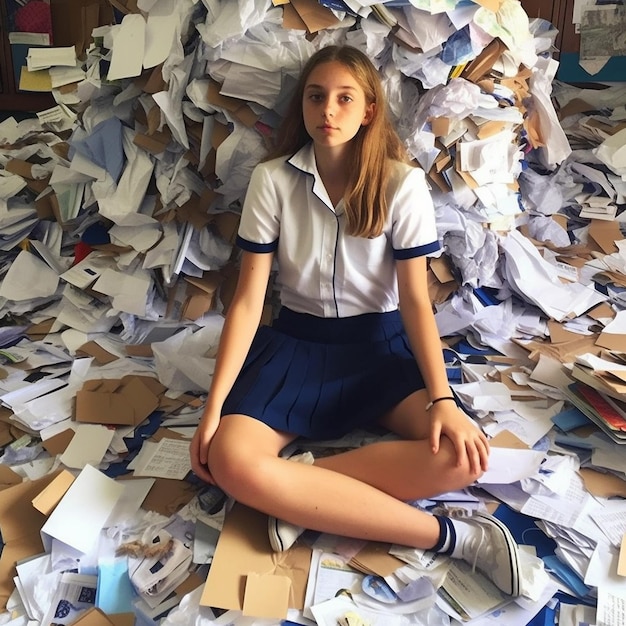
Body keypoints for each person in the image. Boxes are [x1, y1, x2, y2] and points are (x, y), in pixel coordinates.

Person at [190, 44, 523, 598]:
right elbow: (248, 301)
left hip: (379, 349)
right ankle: (453, 538)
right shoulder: (272, 180)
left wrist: (443, 400)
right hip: (298, 345)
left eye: (346, 99)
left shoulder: (402, 184)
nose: (329, 111)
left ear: (368, 110)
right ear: (303, 106)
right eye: (317, 97)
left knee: (464, 457)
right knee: (229, 458)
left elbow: (417, 302)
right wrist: (214, 409)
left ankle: (295, 497)